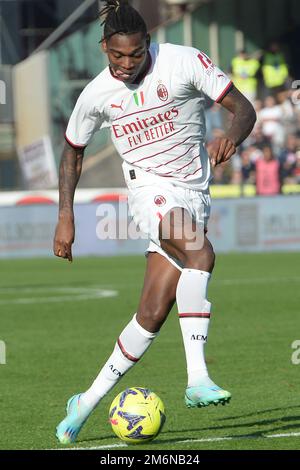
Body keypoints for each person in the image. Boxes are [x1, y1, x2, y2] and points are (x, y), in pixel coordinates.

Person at [53, 0, 256, 444]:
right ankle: (197, 378)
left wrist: (231, 137)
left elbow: (244, 109)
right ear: (105, 48)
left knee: (150, 315)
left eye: (136, 54)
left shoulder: (183, 61)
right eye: (117, 56)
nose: (127, 64)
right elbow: (73, 151)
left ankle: (84, 403)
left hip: (194, 193)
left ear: (149, 43)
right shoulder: (95, 95)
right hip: (148, 191)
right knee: (201, 252)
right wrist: (65, 215)